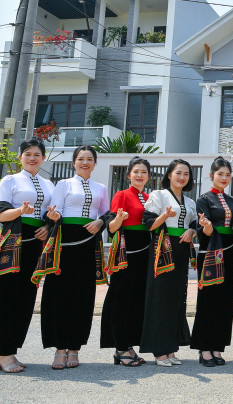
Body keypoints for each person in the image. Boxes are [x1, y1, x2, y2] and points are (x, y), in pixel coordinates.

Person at [0, 139, 54, 373]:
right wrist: (21, 211)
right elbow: (1, 214)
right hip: (11, 244)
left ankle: (10, 349)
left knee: (24, 299)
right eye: (27, 154)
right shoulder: (10, 180)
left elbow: (53, 214)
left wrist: (48, 225)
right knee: (4, 297)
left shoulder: (48, 184)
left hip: (35, 243)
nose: (32, 158)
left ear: (43, 158)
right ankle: (2, 352)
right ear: (20, 157)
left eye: (37, 154)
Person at [41, 145, 109, 370]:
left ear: (95, 163)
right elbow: (54, 211)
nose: (85, 162)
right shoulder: (63, 184)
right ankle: (60, 348)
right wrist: (52, 215)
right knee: (59, 293)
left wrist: (100, 222)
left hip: (89, 242)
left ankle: (75, 347)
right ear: (74, 162)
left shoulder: (101, 187)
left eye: (90, 159)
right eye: (81, 159)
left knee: (83, 295)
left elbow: (106, 214)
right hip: (65, 242)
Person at [140, 159, 197, 367]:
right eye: (178, 173)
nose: (182, 177)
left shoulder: (190, 202)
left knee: (177, 298)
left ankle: (171, 348)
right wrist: (164, 215)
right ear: (169, 174)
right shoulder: (158, 195)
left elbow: (193, 226)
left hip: (182, 249)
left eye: (186, 174)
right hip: (162, 248)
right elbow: (149, 225)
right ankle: (159, 350)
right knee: (160, 297)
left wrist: (192, 231)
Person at [100, 156, 152, 367]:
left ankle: (129, 345)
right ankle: (120, 347)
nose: (139, 175)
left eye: (144, 172)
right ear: (129, 174)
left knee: (136, 301)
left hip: (145, 252)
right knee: (120, 299)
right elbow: (111, 228)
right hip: (125, 252)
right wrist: (119, 219)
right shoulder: (121, 195)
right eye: (136, 171)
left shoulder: (149, 197)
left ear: (148, 176)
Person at [192, 157, 233, 367]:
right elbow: (204, 231)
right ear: (211, 175)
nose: (224, 178)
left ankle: (218, 346)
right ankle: (204, 348)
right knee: (208, 301)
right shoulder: (203, 199)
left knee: (225, 302)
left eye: (228, 175)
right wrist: (207, 227)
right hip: (211, 253)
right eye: (220, 174)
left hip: (229, 253)